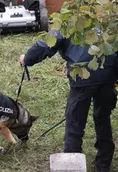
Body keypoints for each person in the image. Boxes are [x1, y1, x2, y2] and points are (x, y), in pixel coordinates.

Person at [19, 30, 118, 172]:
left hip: (82, 75)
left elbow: (48, 41)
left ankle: (72, 166)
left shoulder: (70, 18)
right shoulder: (107, 17)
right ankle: (104, 164)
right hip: (108, 73)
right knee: (103, 118)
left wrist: (27, 58)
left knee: (74, 123)